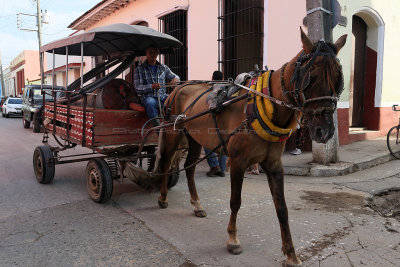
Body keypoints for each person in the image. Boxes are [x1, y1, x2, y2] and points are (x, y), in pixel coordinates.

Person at [134, 45, 180, 126]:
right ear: (146, 53)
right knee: (150, 102)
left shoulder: (163, 67)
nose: (152, 54)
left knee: (176, 99)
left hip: (163, 97)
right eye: (150, 52)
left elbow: (176, 77)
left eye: (155, 52)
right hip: (149, 98)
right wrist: (151, 86)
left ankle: (175, 124)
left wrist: (176, 80)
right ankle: (158, 129)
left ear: (158, 53)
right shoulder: (139, 69)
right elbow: (137, 88)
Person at [204, 70, 227, 177]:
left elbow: (208, 100)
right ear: (223, 78)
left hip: (213, 122)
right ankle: (222, 169)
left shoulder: (212, 88)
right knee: (222, 144)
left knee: (206, 143)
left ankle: (214, 166)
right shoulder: (227, 88)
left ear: (212, 78)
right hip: (225, 122)